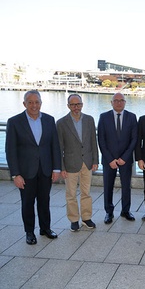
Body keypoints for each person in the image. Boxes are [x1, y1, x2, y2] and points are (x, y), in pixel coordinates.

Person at [5, 90, 61, 245]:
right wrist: (15, 174)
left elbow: (55, 146)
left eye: (36, 102)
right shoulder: (15, 122)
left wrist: (56, 169)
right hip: (25, 172)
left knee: (45, 201)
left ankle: (45, 228)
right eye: (30, 102)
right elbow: (10, 150)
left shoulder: (49, 120)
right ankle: (29, 232)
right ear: (24, 104)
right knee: (27, 203)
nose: (34, 105)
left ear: (41, 103)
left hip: (45, 169)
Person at [57, 94, 99, 232]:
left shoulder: (89, 120)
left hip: (86, 162)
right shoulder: (61, 123)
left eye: (78, 104)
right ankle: (74, 220)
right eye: (73, 105)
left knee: (86, 192)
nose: (76, 107)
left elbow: (94, 141)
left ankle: (86, 218)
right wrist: (61, 167)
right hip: (70, 164)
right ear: (68, 106)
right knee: (71, 194)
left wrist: (95, 160)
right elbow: (59, 147)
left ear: (82, 104)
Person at [98, 92, 138, 224]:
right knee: (108, 186)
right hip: (109, 160)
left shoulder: (132, 117)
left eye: (121, 100)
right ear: (111, 102)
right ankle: (109, 212)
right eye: (116, 100)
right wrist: (110, 159)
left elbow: (134, 139)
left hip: (125, 160)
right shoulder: (103, 117)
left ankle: (125, 211)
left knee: (126, 186)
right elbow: (101, 140)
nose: (119, 102)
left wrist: (124, 157)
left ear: (125, 102)